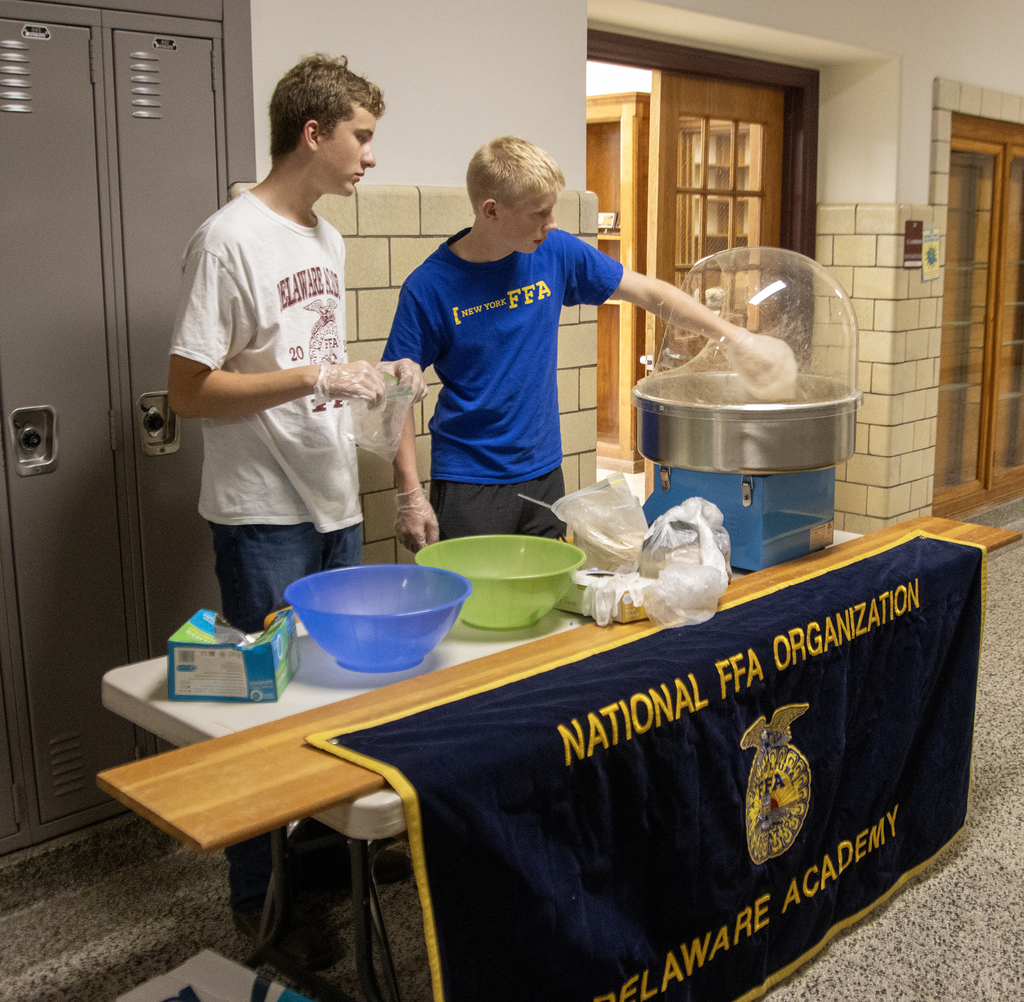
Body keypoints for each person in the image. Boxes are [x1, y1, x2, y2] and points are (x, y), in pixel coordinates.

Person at [167, 53, 421, 970]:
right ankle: (260, 898)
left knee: (338, 692)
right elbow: (190, 392)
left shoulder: (326, 238)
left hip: (329, 500)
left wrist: (374, 388)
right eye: (361, 137)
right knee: (265, 710)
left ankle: (321, 864)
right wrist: (314, 375)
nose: (369, 159)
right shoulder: (227, 239)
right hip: (260, 511)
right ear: (312, 134)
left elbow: (321, 359)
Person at [383, 136, 762, 550]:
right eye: (539, 213)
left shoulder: (554, 252)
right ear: (491, 210)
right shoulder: (429, 287)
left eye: (553, 209)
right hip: (470, 479)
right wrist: (409, 495)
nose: (553, 223)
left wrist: (733, 335)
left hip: (544, 473)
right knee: (476, 609)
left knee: (548, 605)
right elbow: (395, 393)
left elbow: (650, 293)